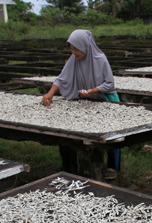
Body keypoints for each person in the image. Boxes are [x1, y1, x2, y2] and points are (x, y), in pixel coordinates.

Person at [41, 29, 121, 181]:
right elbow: (62, 78)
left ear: (85, 46)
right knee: (91, 132)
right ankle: (86, 163)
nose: (74, 52)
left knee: (112, 134)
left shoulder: (100, 59)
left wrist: (93, 90)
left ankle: (113, 166)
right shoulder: (74, 59)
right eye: (71, 49)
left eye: (76, 49)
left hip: (106, 99)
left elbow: (109, 83)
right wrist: (50, 93)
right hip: (88, 101)